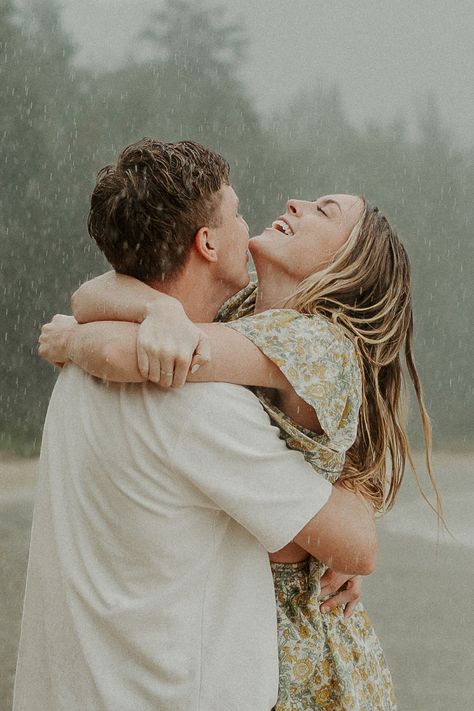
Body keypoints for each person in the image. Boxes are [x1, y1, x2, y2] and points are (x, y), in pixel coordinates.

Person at [39, 141, 441, 710]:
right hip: (249, 611)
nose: (296, 203)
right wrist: (160, 310)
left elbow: (131, 354)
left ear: (347, 266)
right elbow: (94, 292)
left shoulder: (316, 344)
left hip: (306, 641)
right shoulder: (247, 311)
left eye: (325, 212)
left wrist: (76, 338)